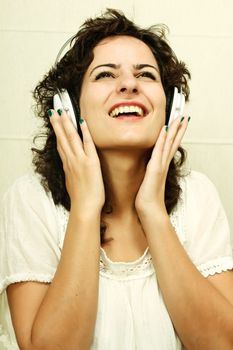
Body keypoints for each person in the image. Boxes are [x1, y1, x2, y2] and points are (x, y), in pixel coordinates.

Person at [0, 8, 233, 350]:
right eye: (105, 75)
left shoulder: (197, 197)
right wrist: (84, 208)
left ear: (172, 108)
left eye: (146, 75)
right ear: (69, 107)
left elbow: (220, 343)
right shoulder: (30, 198)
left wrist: (152, 210)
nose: (128, 84)